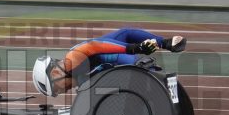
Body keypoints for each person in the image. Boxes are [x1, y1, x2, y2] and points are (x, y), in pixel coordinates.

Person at [32, 28, 186, 97]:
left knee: (138, 67)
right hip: (118, 61)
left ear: (55, 73)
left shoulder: (72, 60)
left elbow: (96, 46)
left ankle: (165, 44)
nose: (63, 91)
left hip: (123, 52)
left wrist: (135, 48)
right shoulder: (80, 81)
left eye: (58, 89)